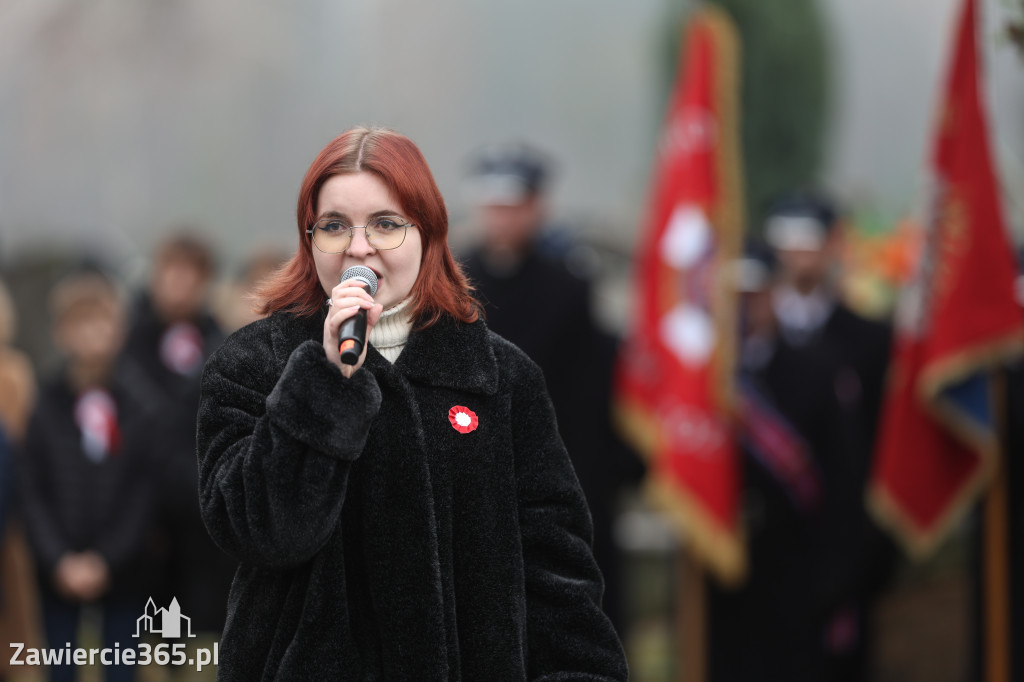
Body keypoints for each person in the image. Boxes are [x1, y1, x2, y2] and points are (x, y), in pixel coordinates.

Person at [196, 127, 628, 680]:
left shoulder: (501, 376)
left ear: (427, 233)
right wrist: (326, 381)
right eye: (334, 226)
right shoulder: (255, 362)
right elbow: (260, 531)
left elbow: (557, 571)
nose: (359, 247)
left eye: (385, 224)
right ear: (308, 239)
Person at [459, 143, 643, 634]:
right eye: (492, 204)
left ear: (539, 207)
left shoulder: (569, 290)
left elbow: (585, 403)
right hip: (469, 485)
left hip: (555, 481)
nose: (502, 217)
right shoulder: (450, 284)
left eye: (513, 204)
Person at [763, 193, 895, 681]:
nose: (796, 257)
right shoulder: (748, 341)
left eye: (808, 244)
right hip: (767, 552)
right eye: (785, 245)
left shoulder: (869, 339)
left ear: (834, 246)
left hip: (842, 544)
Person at [17, 272, 162, 682]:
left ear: (120, 331)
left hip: (122, 570)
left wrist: (106, 559)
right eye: (79, 323)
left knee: (121, 667)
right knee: (59, 668)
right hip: (57, 573)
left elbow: (143, 491)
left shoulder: (139, 405)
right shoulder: (45, 404)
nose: (91, 335)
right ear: (61, 333)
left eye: (101, 322)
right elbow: (32, 489)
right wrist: (59, 558)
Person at [120, 234, 234, 645]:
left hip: (201, 522)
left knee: (204, 640)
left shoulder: (223, 347)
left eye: (190, 273)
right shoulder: (128, 345)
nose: (178, 283)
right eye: (171, 271)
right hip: (138, 522)